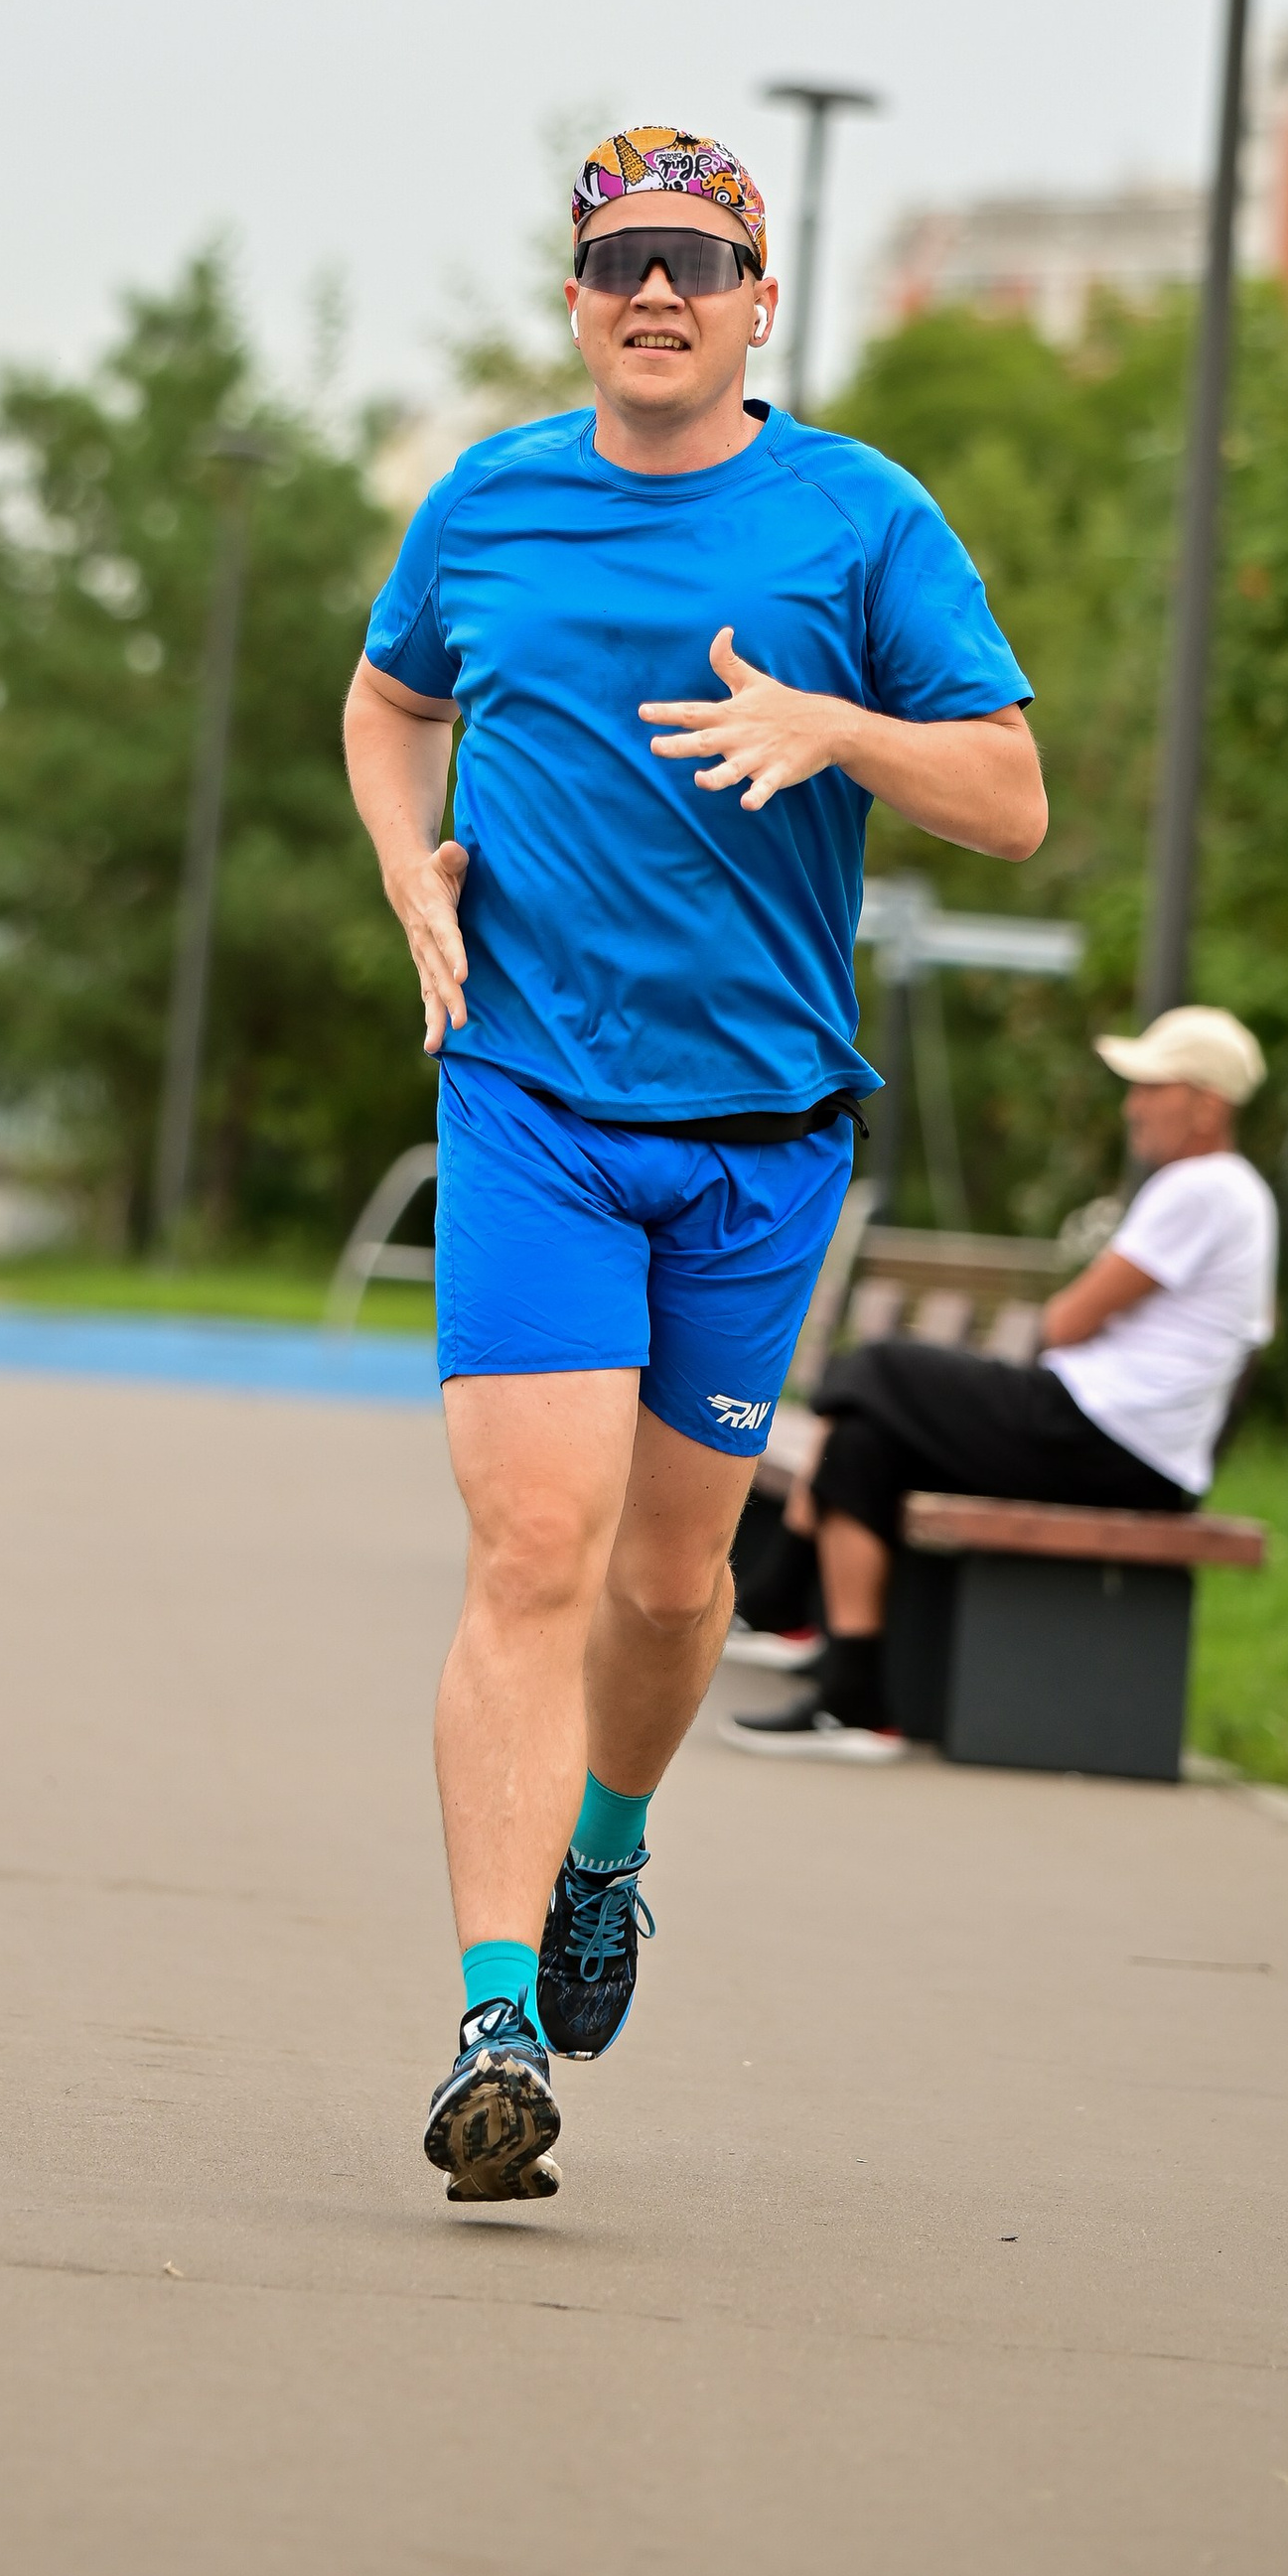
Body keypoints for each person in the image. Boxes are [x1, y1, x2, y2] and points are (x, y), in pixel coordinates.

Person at [345, 123, 1045, 2201]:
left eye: (696, 263)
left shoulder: (857, 515)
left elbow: (1009, 795)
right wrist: (407, 866)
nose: (656, 292)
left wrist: (843, 732)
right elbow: (386, 703)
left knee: (666, 1584)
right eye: (620, 261)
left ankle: (608, 1849)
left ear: (758, 303)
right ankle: (493, 2021)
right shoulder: (488, 499)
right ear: (576, 300)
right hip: (530, 1101)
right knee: (530, 1552)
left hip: (757, 1138)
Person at [724, 1005, 1277, 1759]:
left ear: (1207, 1105)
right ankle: (853, 1695)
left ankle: (777, 1596)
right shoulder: (1235, 1195)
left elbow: (1067, 1323)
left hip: (1104, 1436)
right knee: (862, 1441)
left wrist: (1071, 1318)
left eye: (1154, 1087)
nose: (1134, 1106)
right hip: (1116, 1437)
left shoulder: (1204, 1187)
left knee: (877, 1367)